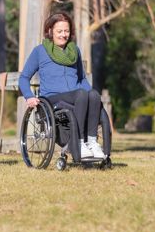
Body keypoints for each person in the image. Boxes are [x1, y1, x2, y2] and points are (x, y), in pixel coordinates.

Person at [19, 12, 106, 160]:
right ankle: (78, 143)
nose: (63, 35)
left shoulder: (74, 51)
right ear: (50, 31)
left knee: (93, 94)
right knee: (82, 94)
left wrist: (93, 96)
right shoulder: (40, 51)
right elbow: (24, 77)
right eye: (59, 31)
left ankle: (91, 142)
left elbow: (82, 78)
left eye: (66, 31)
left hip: (77, 96)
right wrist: (29, 96)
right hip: (52, 99)